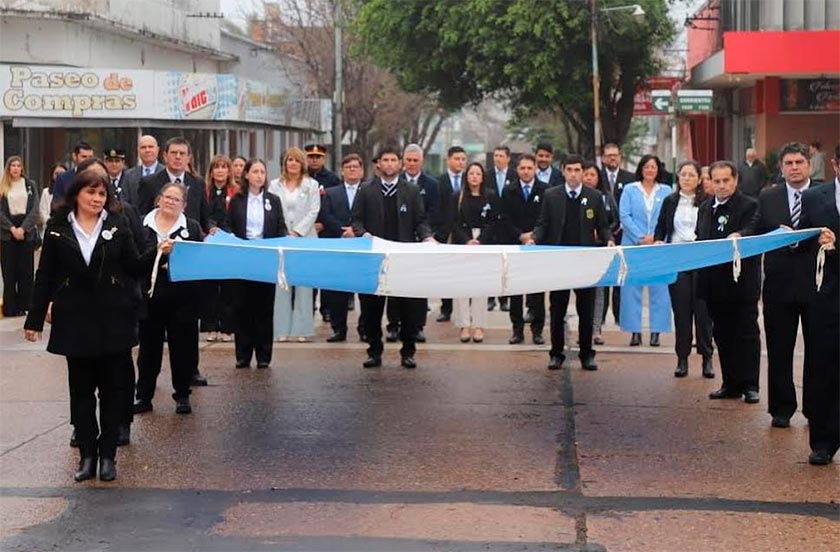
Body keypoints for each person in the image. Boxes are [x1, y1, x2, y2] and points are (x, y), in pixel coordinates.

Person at [24, 170, 145, 482]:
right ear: (77, 194)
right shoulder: (57, 229)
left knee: (112, 392)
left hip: (112, 321)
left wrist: (160, 252)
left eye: (102, 194)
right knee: (81, 392)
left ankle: (107, 457)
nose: (97, 199)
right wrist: (34, 319)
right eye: (91, 193)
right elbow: (45, 276)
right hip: (74, 320)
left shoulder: (117, 226)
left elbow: (133, 267)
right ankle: (87, 456)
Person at [351, 146, 435, 369]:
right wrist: (363, 233)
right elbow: (356, 220)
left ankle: (408, 351)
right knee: (371, 309)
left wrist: (427, 237)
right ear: (378, 164)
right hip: (374, 259)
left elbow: (420, 221)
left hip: (403, 258)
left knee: (407, 309)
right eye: (385, 160)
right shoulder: (366, 190)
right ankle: (374, 351)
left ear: (400, 164)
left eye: (393, 160)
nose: (389, 164)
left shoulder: (412, 191)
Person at [532, 154, 614, 371]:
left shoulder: (594, 196)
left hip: (584, 261)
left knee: (585, 310)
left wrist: (609, 240)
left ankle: (587, 354)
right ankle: (556, 353)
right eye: (570, 170)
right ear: (563, 171)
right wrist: (534, 238)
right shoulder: (551, 195)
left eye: (578, 170)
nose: (574, 174)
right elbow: (543, 223)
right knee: (557, 310)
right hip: (559, 260)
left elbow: (603, 226)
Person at [755, 142, 816, 428]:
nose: (794, 168)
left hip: (818, 286)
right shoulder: (768, 197)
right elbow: (754, 228)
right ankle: (781, 408)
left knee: (819, 350)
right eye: (788, 163)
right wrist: (736, 235)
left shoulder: (824, 194)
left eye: (799, 162)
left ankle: (816, 407)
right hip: (778, 286)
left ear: (809, 165)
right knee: (779, 349)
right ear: (781, 168)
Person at [133, 182, 203, 416]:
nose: (171, 202)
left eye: (177, 199)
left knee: (182, 348)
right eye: (168, 197)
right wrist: (158, 254)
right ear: (158, 199)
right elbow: (136, 259)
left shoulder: (191, 228)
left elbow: (196, 262)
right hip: (150, 295)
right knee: (148, 349)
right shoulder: (142, 225)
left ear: (184, 205)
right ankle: (143, 396)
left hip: (181, 296)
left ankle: (182, 395)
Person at [697, 160, 761, 404]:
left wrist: (739, 236)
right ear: (710, 183)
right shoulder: (705, 208)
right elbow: (700, 238)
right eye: (717, 181)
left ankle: (750, 384)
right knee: (722, 333)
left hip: (741, 282)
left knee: (745, 333)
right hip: (713, 282)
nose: (722, 186)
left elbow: (752, 230)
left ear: (735, 180)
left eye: (726, 180)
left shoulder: (750, 205)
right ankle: (730, 383)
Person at [654, 160, 714, 378]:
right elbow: (660, 228)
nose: (687, 178)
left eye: (691, 175)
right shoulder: (670, 201)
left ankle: (707, 358)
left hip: (701, 259)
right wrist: (659, 241)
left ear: (699, 179)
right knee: (681, 312)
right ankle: (682, 359)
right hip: (678, 260)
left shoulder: (708, 202)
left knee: (703, 313)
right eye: (683, 174)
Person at [799, 144, 838, 465]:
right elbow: (801, 244)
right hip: (824, 299)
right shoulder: (813, 198)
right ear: (835, 165)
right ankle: (822, 443)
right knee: (822, 368)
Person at [228, 159, 287, 369]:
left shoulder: (273, 200)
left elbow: (281, 227)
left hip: (265, 257)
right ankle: (243, 354)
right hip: (243, 257)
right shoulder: (237, 200)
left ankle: (263, 355)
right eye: (255, 171)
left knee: (263, 308)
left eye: (262, 172)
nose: (259, 175)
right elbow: (230, 227)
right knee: (242, 307)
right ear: (246, 175)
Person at [619, 154, 672, 346]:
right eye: (647, 166)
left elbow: (668, 217)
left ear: (658, 170)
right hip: (634, 246)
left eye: (654, 167)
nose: (650, 170)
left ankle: (657, 331)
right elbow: (624, 216)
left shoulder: (666, 191)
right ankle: (634, 331)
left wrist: (656, 238)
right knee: (632, 288)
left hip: (658, 246)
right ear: (641, 169)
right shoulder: (630, 190)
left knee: (660, 289)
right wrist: (640, 237)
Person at [269, 147, 321, 342]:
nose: (292, 163)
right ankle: (280, 329)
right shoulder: (275, 185)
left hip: (305, 240)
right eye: (289, 160)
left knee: (303, 286)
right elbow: (273, 210)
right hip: (282, 239)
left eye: (296, 160)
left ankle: (302, 329)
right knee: (282, 285)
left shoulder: (312, 185)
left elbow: (313, 211)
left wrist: (297, 231)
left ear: (302, 164)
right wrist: (284, 233)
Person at [451, 162, 504, 343]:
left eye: (478, 174)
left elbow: (494, 222)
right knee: (462, 286)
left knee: (481, 286)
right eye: (471, 173)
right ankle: (464, 325)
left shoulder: (490, 196)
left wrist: (480, 240)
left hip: (484, 242)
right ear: (467, 176)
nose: (474, 176)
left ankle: (479, 325)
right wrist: (467, 240)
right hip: (463, 242)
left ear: (483, 177)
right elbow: (454, 223)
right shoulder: (458, 196)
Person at [500, 153, 549, 345]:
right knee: (516, 291)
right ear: (517, 170)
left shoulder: (545, 190)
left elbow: (545, 218)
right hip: (515, 244)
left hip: (537, 246)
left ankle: (537, 331)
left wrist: (534, 236)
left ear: (535, 168)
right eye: (522, 168)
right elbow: (504, 219)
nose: (526, 172)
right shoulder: (509, 191)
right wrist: (520, 235)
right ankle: (517, 330)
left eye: (529, 168)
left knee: (537, 291)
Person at [395, 143, 441, 342]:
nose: (412, 164)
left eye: (415, 161)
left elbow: (434, 213)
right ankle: (393, 323)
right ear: (403, 161)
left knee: (419, 286)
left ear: (421, 161)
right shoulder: (395, 182)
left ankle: (418, 326)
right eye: (408, 160)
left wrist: (425, 235)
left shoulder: (431, 184)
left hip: (422, 241)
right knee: (396, 285)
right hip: (399, 240)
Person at [320, 153, 365, 343]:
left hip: (362, 246)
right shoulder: (331, 193)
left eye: (355, 166)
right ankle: (339, 329)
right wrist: (342, 230)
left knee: (364, 291)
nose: (352, 170)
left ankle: (365, 329)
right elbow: (325, 215)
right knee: (338, 292)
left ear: (361, 170)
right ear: (342, 170)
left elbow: (373, 215)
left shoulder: (369, 192)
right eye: (348, 167)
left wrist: (355, 231)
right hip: (338, 245)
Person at [136, 137, 211, 235]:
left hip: (189, 239)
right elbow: (142, 215)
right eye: (174, 153)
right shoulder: (149, 183)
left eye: (182, 153)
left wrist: (211, 228)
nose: (178, 157)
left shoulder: (198, 183)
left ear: (188, 158)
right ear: (165, 156)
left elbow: (204, 217)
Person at [582, 161, 619, 345]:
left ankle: (596, 330)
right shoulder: (575, 196)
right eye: (586, 174)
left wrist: (605, 235)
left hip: (600, 249)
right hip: (580, 250)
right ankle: (584, 329)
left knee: (599, 291)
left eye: (592, 175)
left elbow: (613, 221)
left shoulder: (605, 197)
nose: (589, 178)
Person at [201, 154, 237, 343]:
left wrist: (226, 232)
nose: (220, 170)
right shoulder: (204, 191)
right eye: (217, 167)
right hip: (209, 243)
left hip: (229, 243)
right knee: (209, 288)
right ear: (211, 171)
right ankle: (210, 326)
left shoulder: (236, 192)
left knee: (229, 288)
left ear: (229, 171)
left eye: (224, 167)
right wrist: (209, 228)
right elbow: (202, 214)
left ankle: (228, 327)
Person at [600, 143, 635, 326]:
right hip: (602, 234)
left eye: (615, 155)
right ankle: (601, 316)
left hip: (625, 234)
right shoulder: (598, 178)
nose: (612, 158)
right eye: (609, 156)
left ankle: (620, 315)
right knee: (604, 277)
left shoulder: (630, 178)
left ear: (620, 157)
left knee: (621, 276)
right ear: (603, 158)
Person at [1, 156, 40, 317]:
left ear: (22, 168)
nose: (15, 168)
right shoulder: (3, 187)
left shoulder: (30, 185)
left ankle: (26, 305)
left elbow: (35, 209)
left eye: (18, 165)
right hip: (7, 232)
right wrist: (11, 228)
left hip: (26, 231)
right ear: (8, 168)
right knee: (9, 272)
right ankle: (11, 307)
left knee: (26, 272)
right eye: (12, 165)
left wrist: (23, 229)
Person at [435, 145, 468, 322]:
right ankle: (446, 307)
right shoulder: (439, 182)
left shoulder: (470, 180)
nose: (460, 162)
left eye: (463, 159)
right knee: (445, 273)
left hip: (464, 233)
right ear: (448, 160)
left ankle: (466, 309)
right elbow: (437, 209)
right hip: (444, 233)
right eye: (457, 159)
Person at [485, 145, 517, 312]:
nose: (497, 158)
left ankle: (504, 299)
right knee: (491, 264)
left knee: (506, 264)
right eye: (495, 155)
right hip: (491, 226)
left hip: (507, 227)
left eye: (501, 156)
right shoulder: (487, 175)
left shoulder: (513, 175)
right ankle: (490, 298)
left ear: (508, 158)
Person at [122, 135, 163, 207]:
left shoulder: (165, 172)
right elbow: (124, 202)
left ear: (158, 149)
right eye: (143, 147)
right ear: (138, 150)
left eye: (150, 147)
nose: (147, 150)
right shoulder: (128, 175)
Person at [51, 141, 95, 206]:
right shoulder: (62, 178)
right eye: (84, 157)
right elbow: (56, 204)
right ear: (74, 156)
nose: (87, 160)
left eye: (90, 157)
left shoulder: (98, 177)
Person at [38, 163, 66, 238]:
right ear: (52, 175)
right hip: (49, 228)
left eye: (62, 174)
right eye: (56, 174)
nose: (59, 176)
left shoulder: (70, 191)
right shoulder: (46, 192)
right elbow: (42, 211)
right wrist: (51, 222)